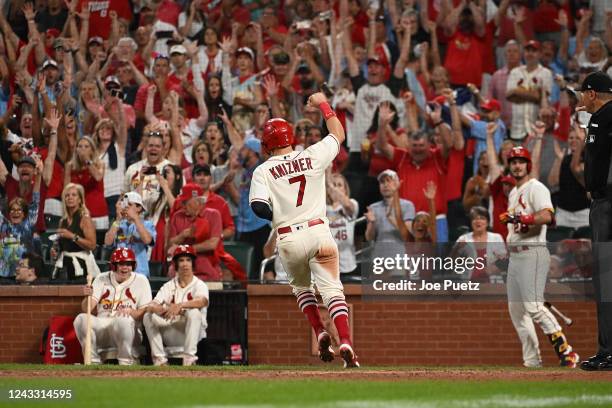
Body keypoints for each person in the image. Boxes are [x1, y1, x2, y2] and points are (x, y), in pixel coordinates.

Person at [249, 92, 359, 368]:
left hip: (288, 237)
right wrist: (322, 103)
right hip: (319, 231)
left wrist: (282, 214)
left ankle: (320, 331)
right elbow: (338, 133)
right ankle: (344, 339)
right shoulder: (311, 155)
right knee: (333, 291)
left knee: (302, 290)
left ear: (266, 144)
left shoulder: (262, 171)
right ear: (291, 138)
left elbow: (259, 208)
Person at [500, 146, 579, 368]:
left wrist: (521, 218)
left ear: (528, 165)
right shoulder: (514, 192)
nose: (517, 165)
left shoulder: (536, 187)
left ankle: (567, 352)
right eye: (513, 161)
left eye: (521, 161)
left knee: (534, 306)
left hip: (532, 252)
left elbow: (547, 216)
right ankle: (532, 361)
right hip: (516, 257)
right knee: (517, 312)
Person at [578, 71, 612, 371]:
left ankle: (608, 351)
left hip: (607, 204)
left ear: (591, 93)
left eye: (582, 93)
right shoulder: (599, 118)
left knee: (606, 279)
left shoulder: (601, 119)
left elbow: (594, 167)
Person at [73, 248, 152, 365]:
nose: (125, 267)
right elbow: (87, 309)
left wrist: (131, 312)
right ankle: (92, 361)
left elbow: (145, 312)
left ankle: (126, 361)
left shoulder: (141, 280)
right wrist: (87, 296)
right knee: (81, 318)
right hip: (103, 324)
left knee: (123, 319)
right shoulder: (101, 278)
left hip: (129, 330)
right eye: (121, 264)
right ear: (113, 265)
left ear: (133, 265)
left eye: (128, 264)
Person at [143, 245, 209, 366]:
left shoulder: (199, 285)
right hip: (171, 331)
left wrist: (180, 306)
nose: (185, 264)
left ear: (193, 263)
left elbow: (202, 301)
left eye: (188, 260)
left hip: (192, 333)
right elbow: (150, 306)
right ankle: (159, 360)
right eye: (181, 260)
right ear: (176, 264)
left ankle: (189, 359)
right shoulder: (168, 286)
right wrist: (158, 309)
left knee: (194, 313)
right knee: (148, 316)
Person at [167, 183, 223, 281]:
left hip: (206, 262)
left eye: (185, 203)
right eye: (182, 202)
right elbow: (171, 244)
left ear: (199, 202)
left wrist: (186, 249)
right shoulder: (177, 216)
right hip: (182, 263)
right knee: (171, 271)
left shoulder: (213, 215)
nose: (182, 206)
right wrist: (182, 235)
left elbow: (212, 244)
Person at [52, 183, 99, 282]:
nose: (70, 198)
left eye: (74, 195)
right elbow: (60, 246)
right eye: (67, 195)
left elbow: (92, 245)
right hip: (65, 265)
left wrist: (72, 236)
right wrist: (55, 251)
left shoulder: (85, 219)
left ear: (80, 199)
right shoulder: (62, 221)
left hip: (81, 267)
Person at [104, 192, 156, 277]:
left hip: (140, 272)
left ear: (139, 208)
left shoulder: (147, 224)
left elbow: (148, 240)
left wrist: (135, 218)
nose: (126, 207)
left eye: (130, 204)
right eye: (124, 204)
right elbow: (107, 242)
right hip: (119, 272)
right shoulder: (117, 224)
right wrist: (117, 219)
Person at [453, 206, 506, 283]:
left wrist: (496, 265)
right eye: (474, 218)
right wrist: (457, 249)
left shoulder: (496, 238)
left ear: (487, 222)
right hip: (468, 284)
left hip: (493, 284)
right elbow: (451, 263)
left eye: (482, 218)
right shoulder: (463, 238)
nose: (478, 221)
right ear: (471, 222)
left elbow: (504, 262)